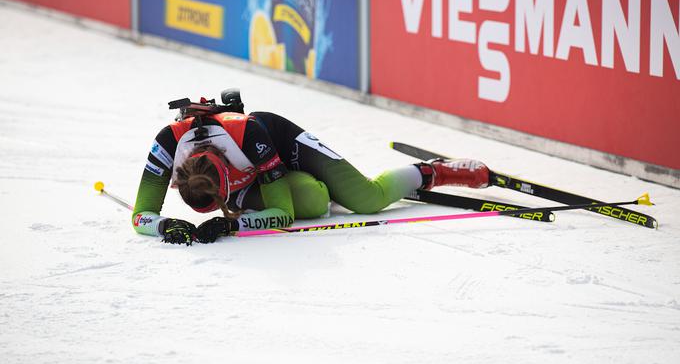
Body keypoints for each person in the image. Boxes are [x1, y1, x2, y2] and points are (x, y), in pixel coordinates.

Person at [132, 94, 490, 245]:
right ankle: (326, 186)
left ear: (224, 172)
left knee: (366, 198)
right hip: (250, 181)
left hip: (278, 146)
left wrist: (233, 223)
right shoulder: (167, 144)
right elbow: (139, 216)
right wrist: (163, 225)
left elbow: (283, 214)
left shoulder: (247, 136)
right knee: (317, 203)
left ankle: (437, 172)